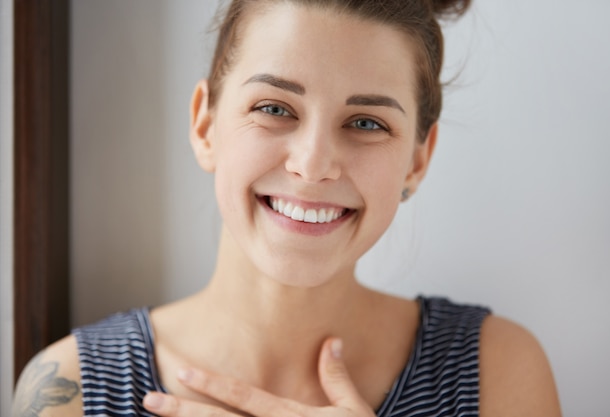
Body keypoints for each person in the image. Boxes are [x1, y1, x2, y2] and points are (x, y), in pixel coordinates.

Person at [12, 0, 562, 416]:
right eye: (275, 107)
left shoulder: (496, 375)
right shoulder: (71, 389)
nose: (314, 163)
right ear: (205, 125)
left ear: (418, 160)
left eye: (367, 123)